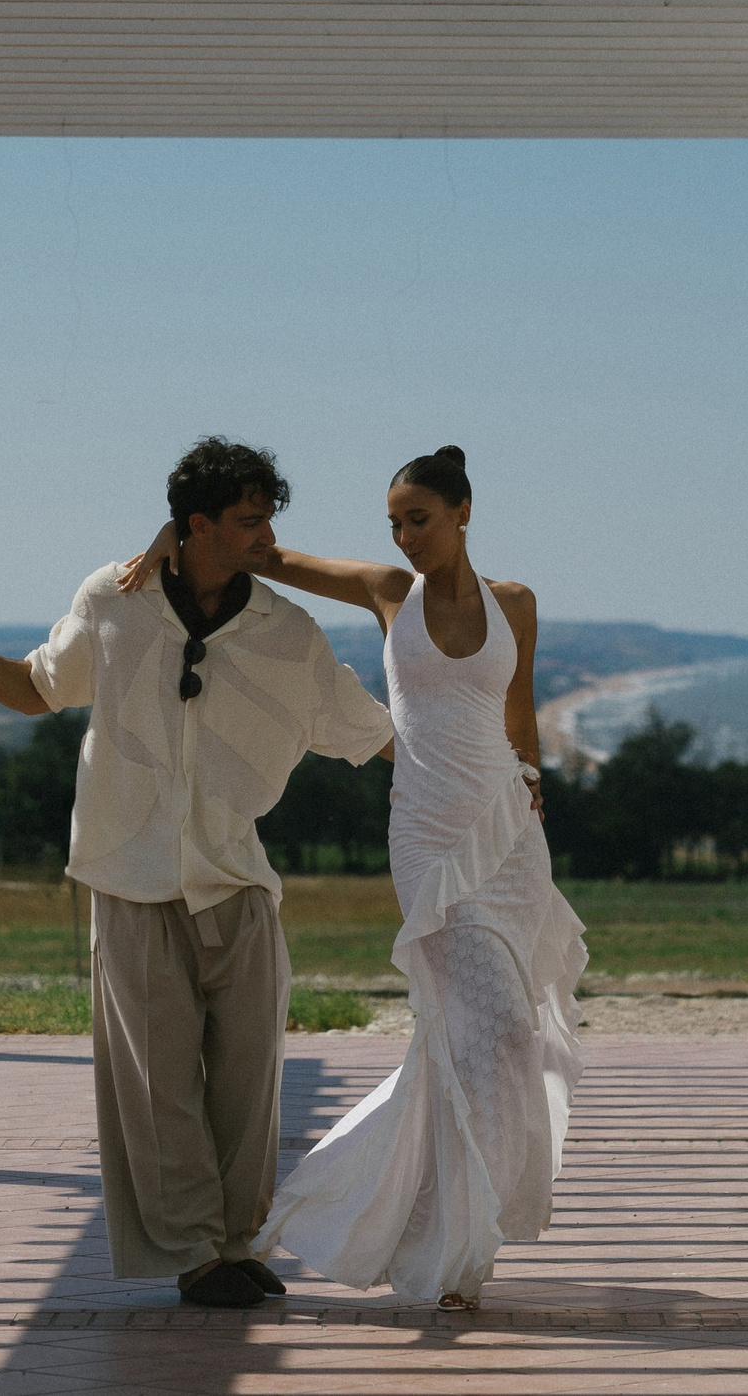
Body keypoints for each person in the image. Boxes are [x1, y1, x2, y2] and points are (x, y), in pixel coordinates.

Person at [119, 445, 587, 1311]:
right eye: (396, 523)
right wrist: (164, 539)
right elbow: (264, 556)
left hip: (507, 836)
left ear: (463, 513)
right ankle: (450, 1245)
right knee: (474, 1029)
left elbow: (518, 711)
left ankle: (456, 1233)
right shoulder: (388, 594)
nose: (406, 537)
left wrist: (532, 785)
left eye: (421, 519)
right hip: (428, 837)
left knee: (504, 1039)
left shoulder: (515, 604)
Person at [0, 436, 393, 1310]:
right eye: (249, 521)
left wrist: (490, 770)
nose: (267, 538)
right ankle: (194, 1253)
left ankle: (237, 1240)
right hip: (131, 876)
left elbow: (371, 733)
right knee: (159, 1084)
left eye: (268, 519)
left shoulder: (288, 633)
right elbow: (38, 687)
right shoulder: (113, 599)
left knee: (251, 1082)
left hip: (237, 882)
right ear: (197, 524)